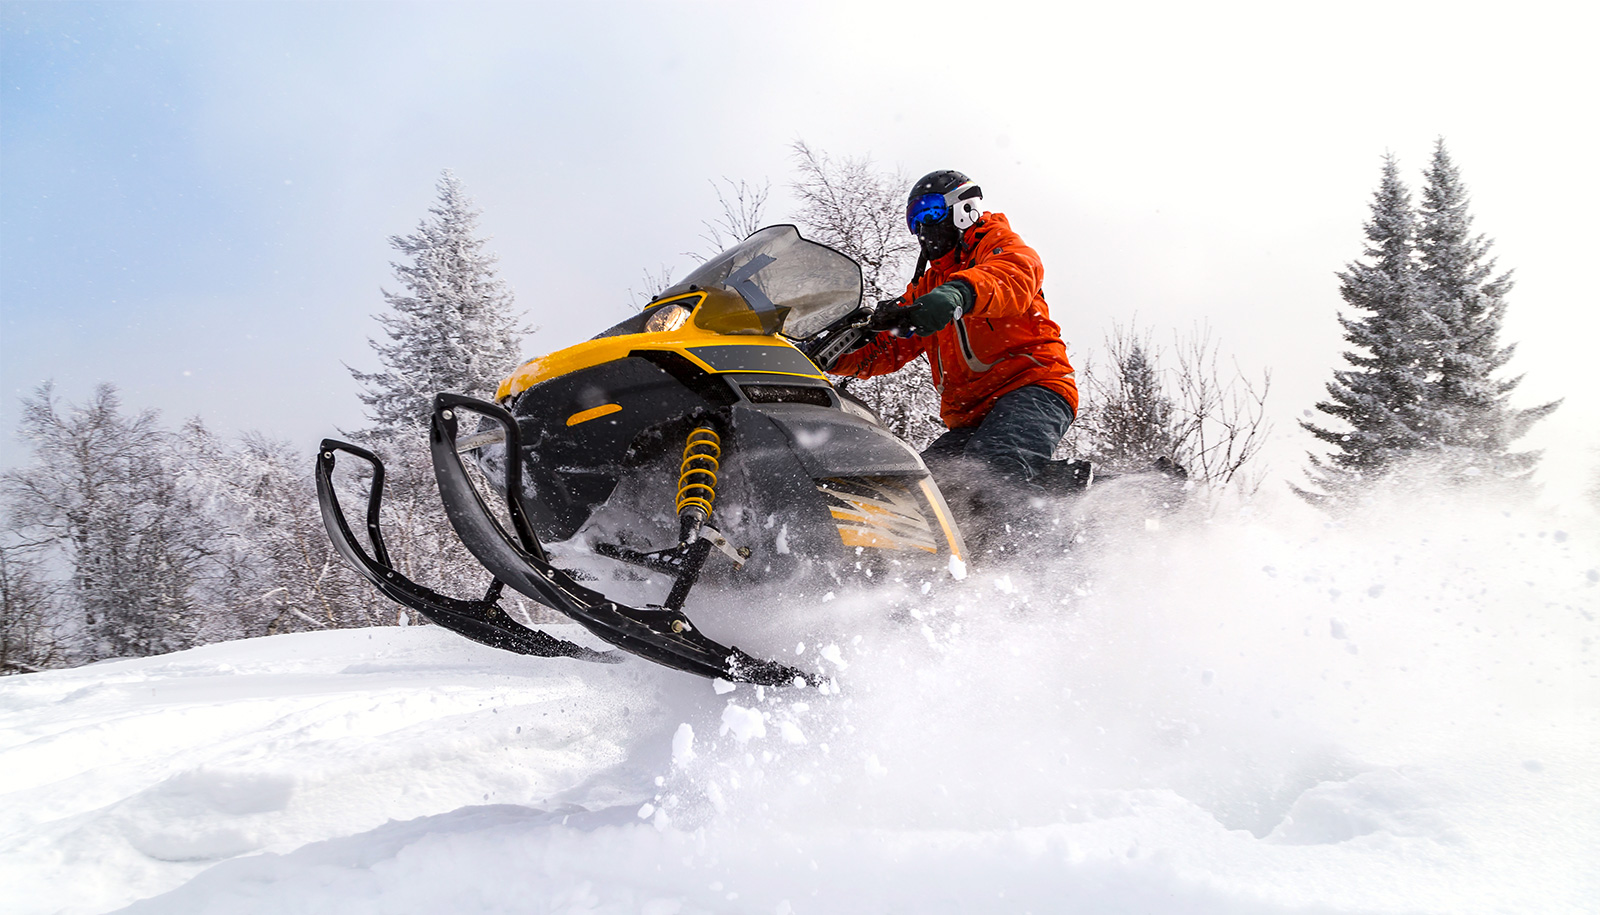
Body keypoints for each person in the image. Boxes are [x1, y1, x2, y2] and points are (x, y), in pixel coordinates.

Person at [831, 170, 1078, 495]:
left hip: (1032, 389)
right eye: (914, 220)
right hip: (973, 417)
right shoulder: (928, 286)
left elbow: (1014, 273)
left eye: (930, 211)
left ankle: (1035, 545)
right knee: (922, 492)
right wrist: (831, 352)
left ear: (964, 209)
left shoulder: (996, 245)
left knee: (990, 475)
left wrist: (958, 293)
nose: (923, 227)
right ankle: (1069, 489)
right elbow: (886, 349)